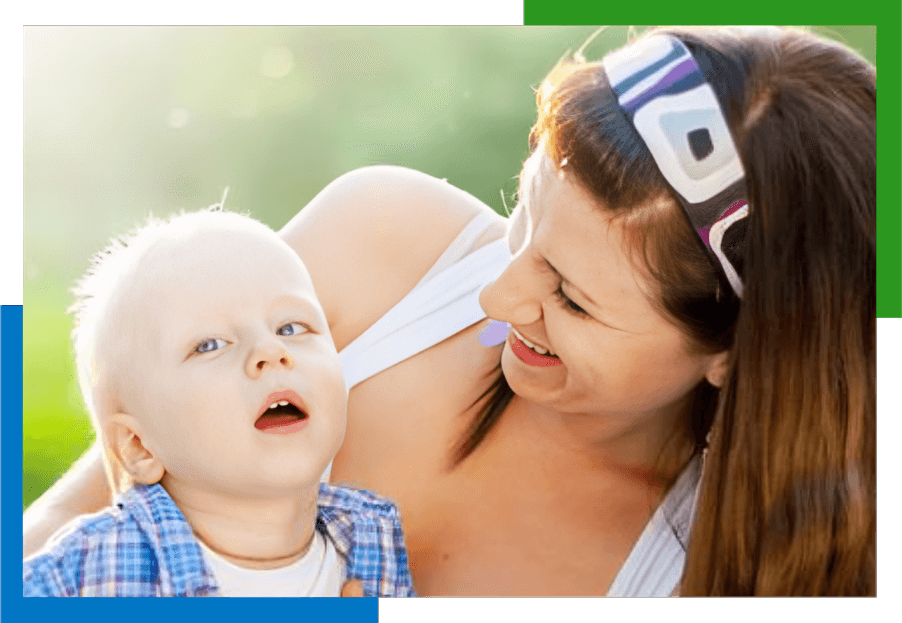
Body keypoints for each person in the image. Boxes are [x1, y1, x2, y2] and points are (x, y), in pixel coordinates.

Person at [24, 25, 876, 596]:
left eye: (571, 299)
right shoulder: (378, 243)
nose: (499, 297)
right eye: (522, 220)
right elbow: (66, 521)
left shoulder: (716, 569)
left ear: (737, 350)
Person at [23, 207, 415, 597]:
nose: (271, 349)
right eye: (210, 345)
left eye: (291, 327)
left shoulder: (374, 542)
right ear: (140, 447)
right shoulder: (88, 575)